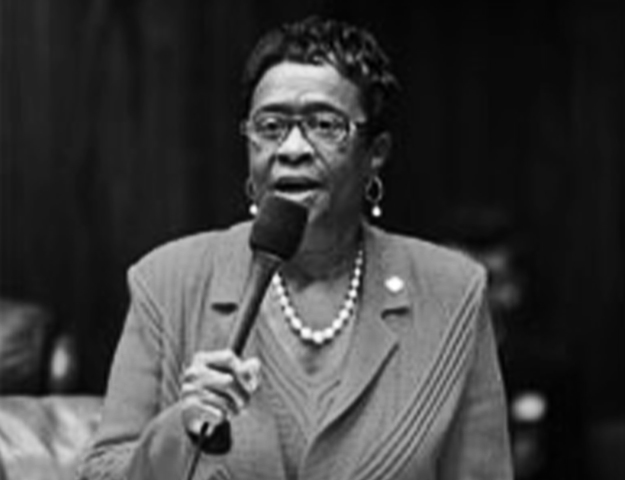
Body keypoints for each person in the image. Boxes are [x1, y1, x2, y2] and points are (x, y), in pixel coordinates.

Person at [78, 16, 513, 480]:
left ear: (376, 151)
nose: (291, 148)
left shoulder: (451, 291)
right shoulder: (167, 281)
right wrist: (179, 432)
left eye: (325, 125)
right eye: (270, 126)